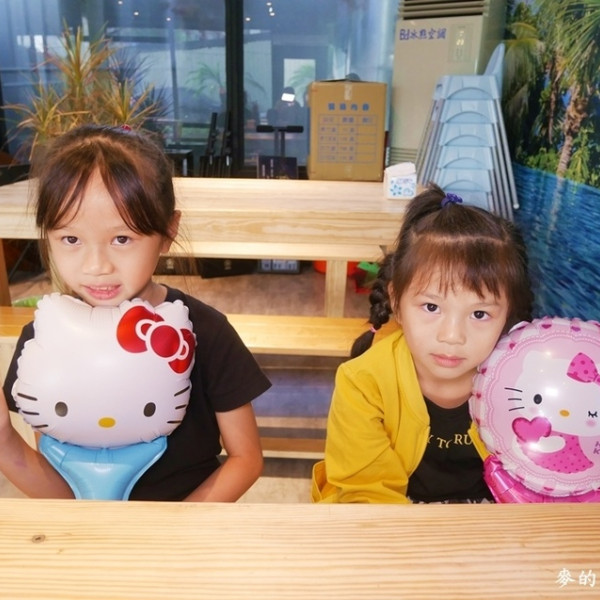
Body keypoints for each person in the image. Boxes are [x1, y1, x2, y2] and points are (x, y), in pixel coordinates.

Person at [0, 124, 271, 501]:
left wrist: (177, 527)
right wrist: (5, 441)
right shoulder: (44, 338)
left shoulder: (206, 331)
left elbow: (246, 458)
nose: (96, 266)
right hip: (90, 529)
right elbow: (62, 490)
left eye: (122, 238)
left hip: (188, 523)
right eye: (71, 239)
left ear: (168, 232)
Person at [311, 185, 533, 504]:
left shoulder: (524, 383)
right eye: (431, 307)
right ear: (396, 301)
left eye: (479, 314)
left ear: (508, 315)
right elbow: (367, 494)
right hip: (394, 524)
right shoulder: (362, 383)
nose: (452, 336)